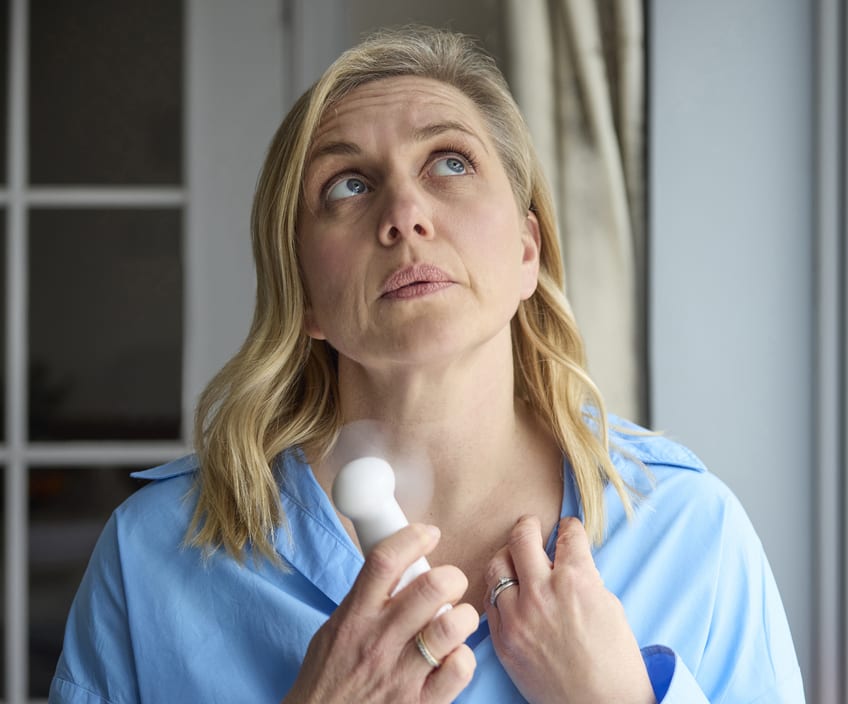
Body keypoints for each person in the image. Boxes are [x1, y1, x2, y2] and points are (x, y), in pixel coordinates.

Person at [51, 25, 804, 703]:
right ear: (303, 293)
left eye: (449, 162)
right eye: (348, 184)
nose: (404, 214)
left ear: (525, 251)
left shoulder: (688, 528)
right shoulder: (155, 552)